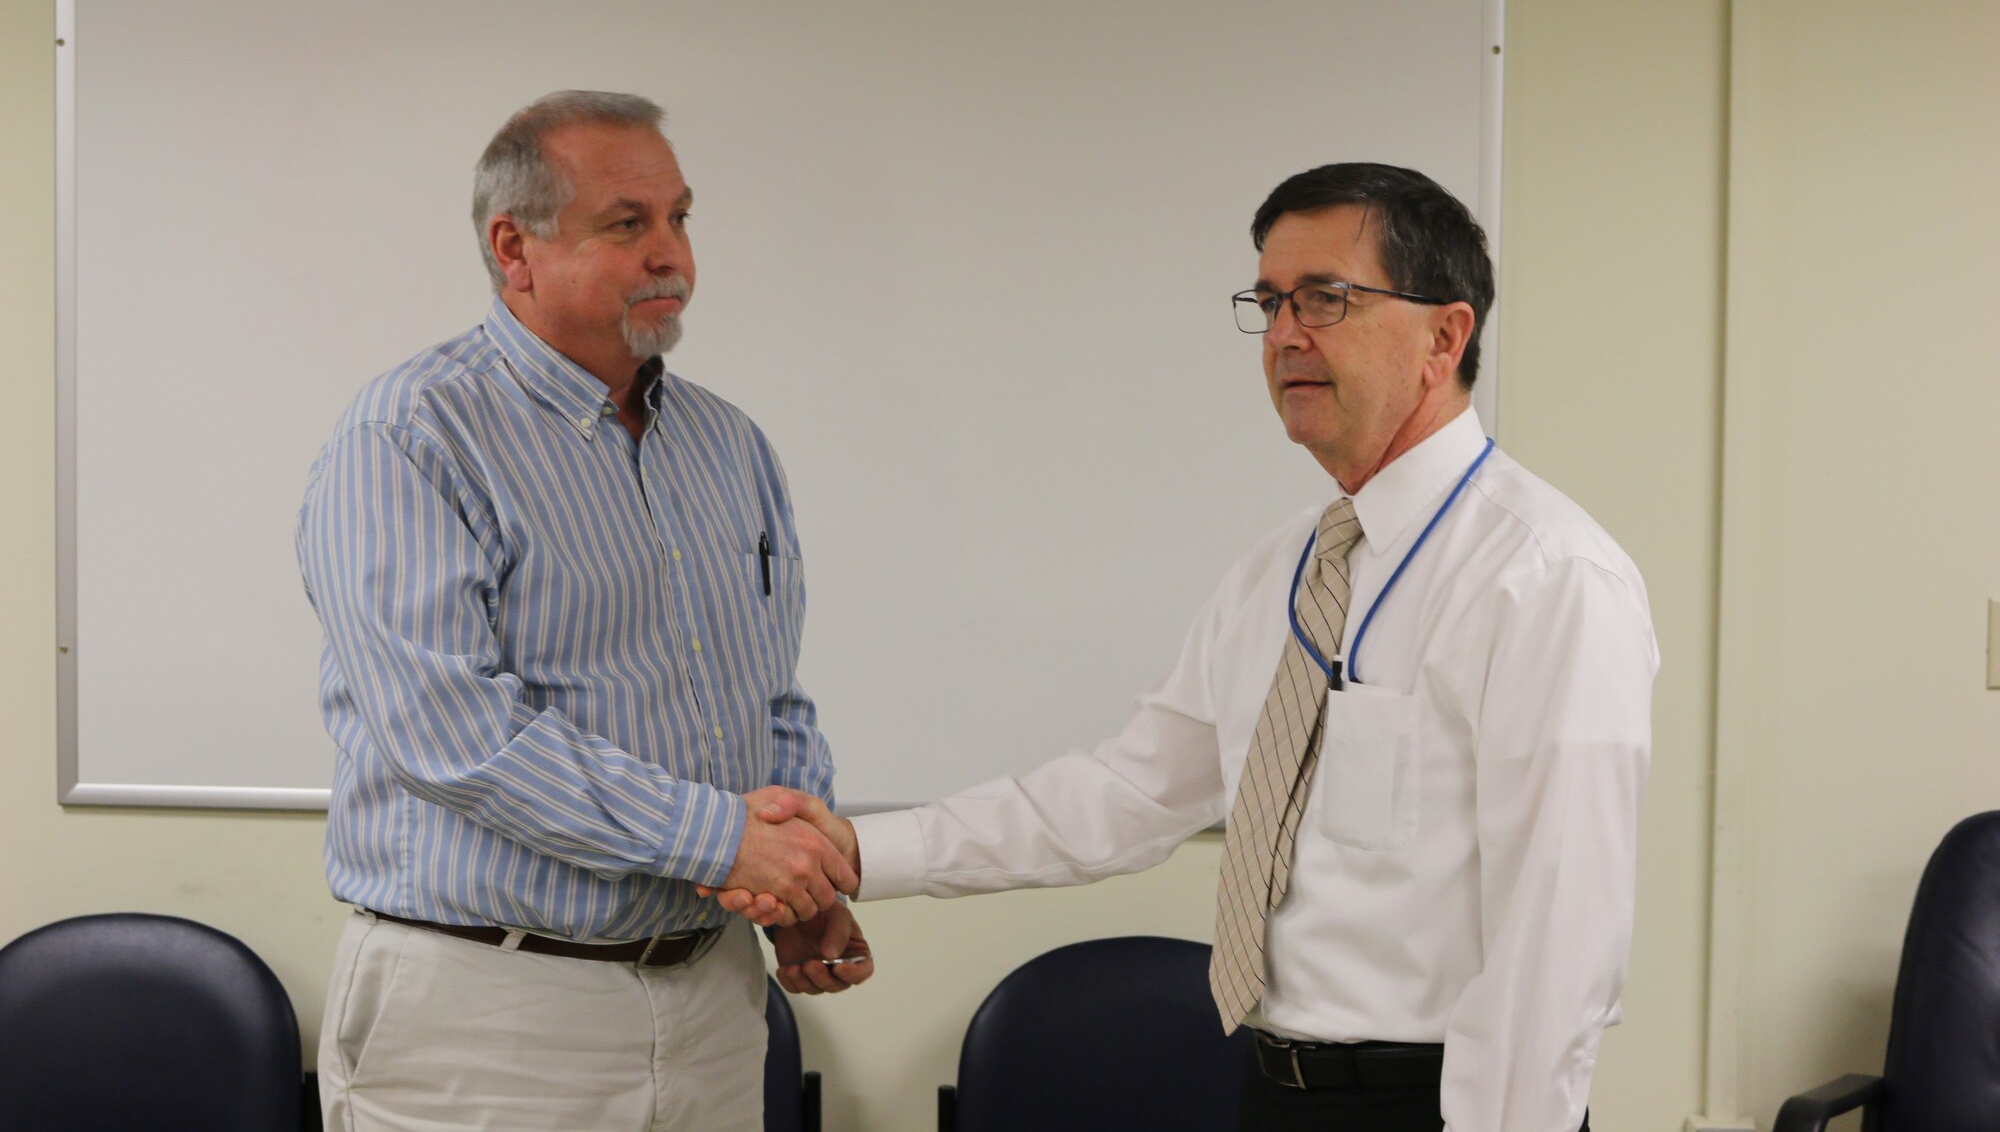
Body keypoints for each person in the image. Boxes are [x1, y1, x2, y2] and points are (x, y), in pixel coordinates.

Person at [716, 163, 1656, 1131]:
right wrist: (856, 848)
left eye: (1325, 299)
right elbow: (1123, 796)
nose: (1285, 333)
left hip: (1445, 1104)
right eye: (1269, 301)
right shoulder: (1282, 571)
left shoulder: (1544, 576)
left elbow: (1558, 941)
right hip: (1268, 1091)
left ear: (1442, 334)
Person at [297, 90, 872, 1132]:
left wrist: (800, 879)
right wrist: (722, 843)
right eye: (628, 223)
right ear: (513, 246)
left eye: (680, 219)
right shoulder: (410, 436)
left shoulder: (728, 445)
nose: (673, 257)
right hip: (492, 1011)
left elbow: (767, 696)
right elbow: (451, 732)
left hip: (711, 996)